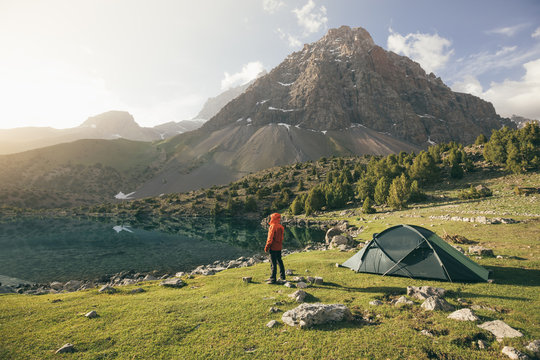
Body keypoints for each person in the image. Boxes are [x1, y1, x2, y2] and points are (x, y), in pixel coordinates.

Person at [264, 213, 285, 284]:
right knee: (279, 261)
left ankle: (273, 279)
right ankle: (283, 276)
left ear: (273, 218)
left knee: (273, 263)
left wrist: (266, 247)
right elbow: (282, 238)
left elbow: (270, 239)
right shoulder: (281, 227)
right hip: (279, 247)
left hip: (273, 247)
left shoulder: (272, 227)